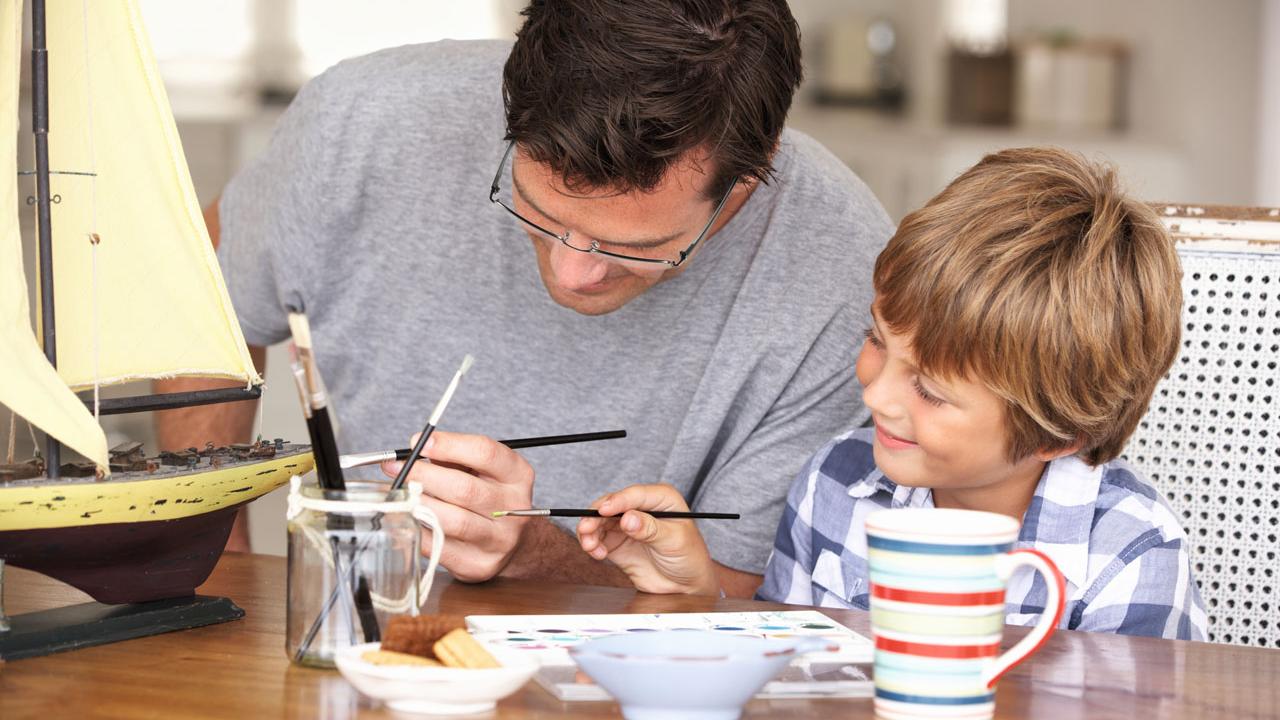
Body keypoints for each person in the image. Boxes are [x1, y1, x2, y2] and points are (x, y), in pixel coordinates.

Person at [153, 0, 892, 597]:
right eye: (538, 211)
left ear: (750, 179)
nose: (572, 274)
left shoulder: (841, 278)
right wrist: (214, 568)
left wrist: (536, 552)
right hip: (354, 638)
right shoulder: (367, 122)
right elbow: (205, 293)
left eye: (631, 246)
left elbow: (738, 591)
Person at [575, 147, 1209, 639]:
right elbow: (789, 675)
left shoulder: (1130, 556)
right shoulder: (834, 483)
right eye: (877, 340)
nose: (876, 395)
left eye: (930, 390)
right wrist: (695, 594)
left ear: (1057, 434)